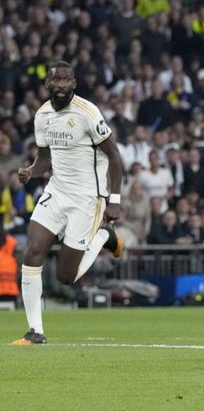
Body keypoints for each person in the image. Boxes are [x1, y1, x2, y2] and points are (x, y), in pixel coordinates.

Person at [13, 61, 124, 345]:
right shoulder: (42, 115)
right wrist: (31, 171)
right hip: (57, 191)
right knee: (32, 252)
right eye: (56, 80)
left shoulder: (88, 113)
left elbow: (114, 157)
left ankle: (103, 236)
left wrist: (115, 200)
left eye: (66, 80)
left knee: (65, 276)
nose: (61, 84)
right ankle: (34, 331)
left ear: (73, 83)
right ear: (48, 83)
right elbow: (45, 159)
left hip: (87, 198)